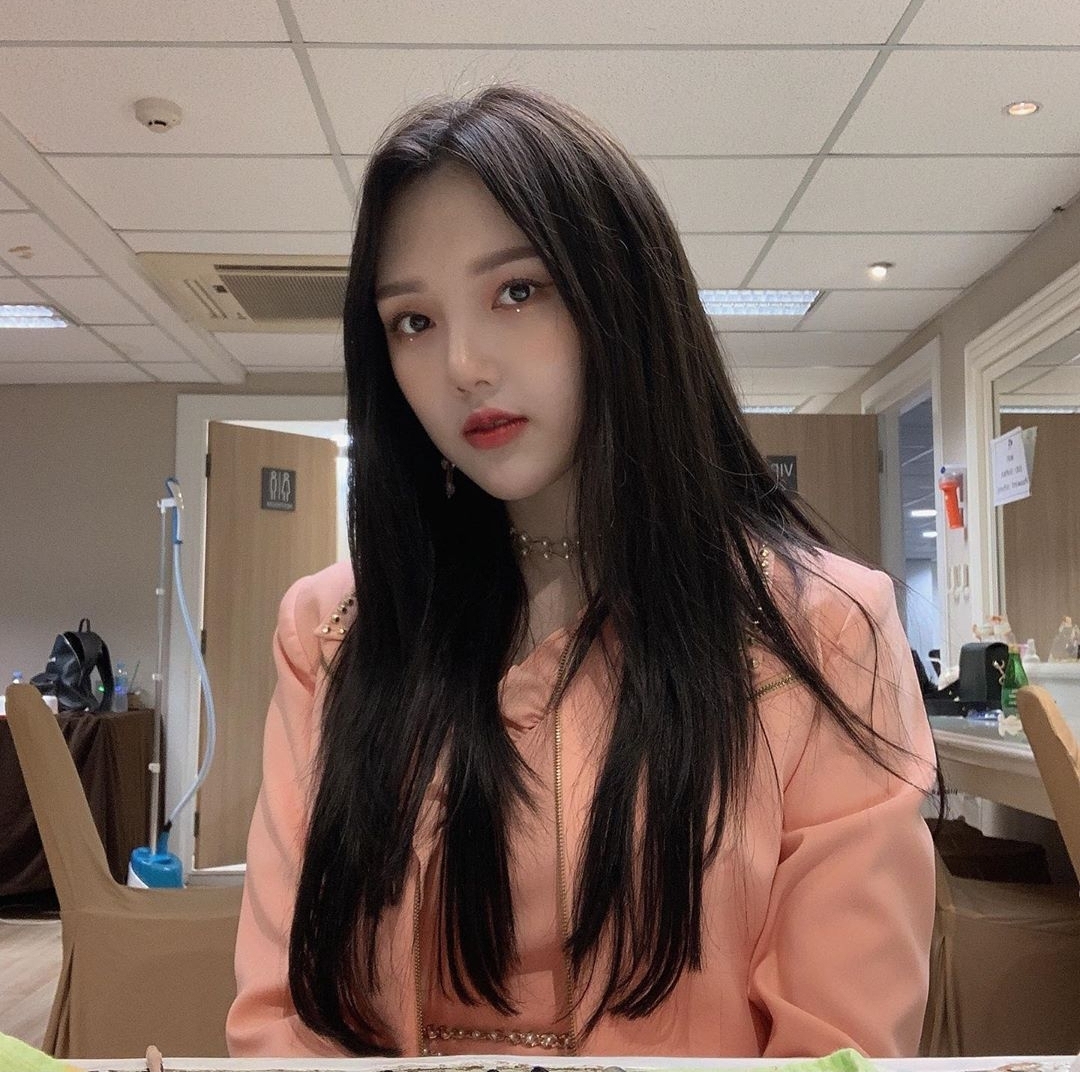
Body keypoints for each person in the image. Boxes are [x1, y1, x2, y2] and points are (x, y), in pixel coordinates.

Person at [227, 86, 938, 1060]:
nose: (464, 364)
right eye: (412, 321)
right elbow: (281, 1014)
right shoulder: (333, 632)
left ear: (623, 296)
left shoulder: (825, 628)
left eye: (517, 291)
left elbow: (837, 1042)